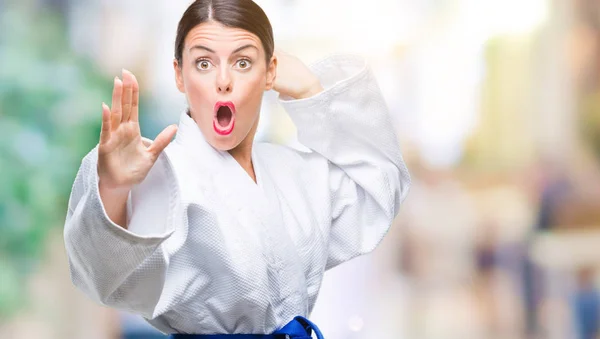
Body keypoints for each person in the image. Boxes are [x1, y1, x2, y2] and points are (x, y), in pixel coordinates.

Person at [63, 0, 411, 337]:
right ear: (179, 75)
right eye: (203, 63)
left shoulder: (294, 173)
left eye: (243, 62)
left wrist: (310, 90)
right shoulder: (166, 178)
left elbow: (380, 185)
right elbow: (105, 279)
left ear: (270, 72)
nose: (223, 80)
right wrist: (113, 189)